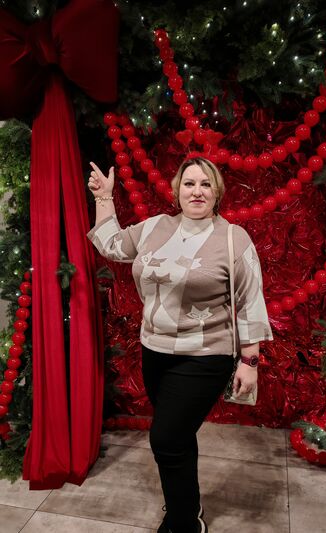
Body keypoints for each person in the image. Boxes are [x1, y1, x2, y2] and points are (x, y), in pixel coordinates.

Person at [86, 156, 273, 533]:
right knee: (180, 437)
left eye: (206, 184)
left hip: (205, 356)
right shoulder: (156, 226)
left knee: (166, 438)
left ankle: (184, 523)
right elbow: (113, 246)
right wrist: (104, 197)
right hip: (155, 352)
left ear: (217, 192)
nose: (197, 191)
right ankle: (187, 505)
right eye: (189, 183)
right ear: (177, 191)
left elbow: (251, 300)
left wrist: (249, 362)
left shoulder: (233, 238)